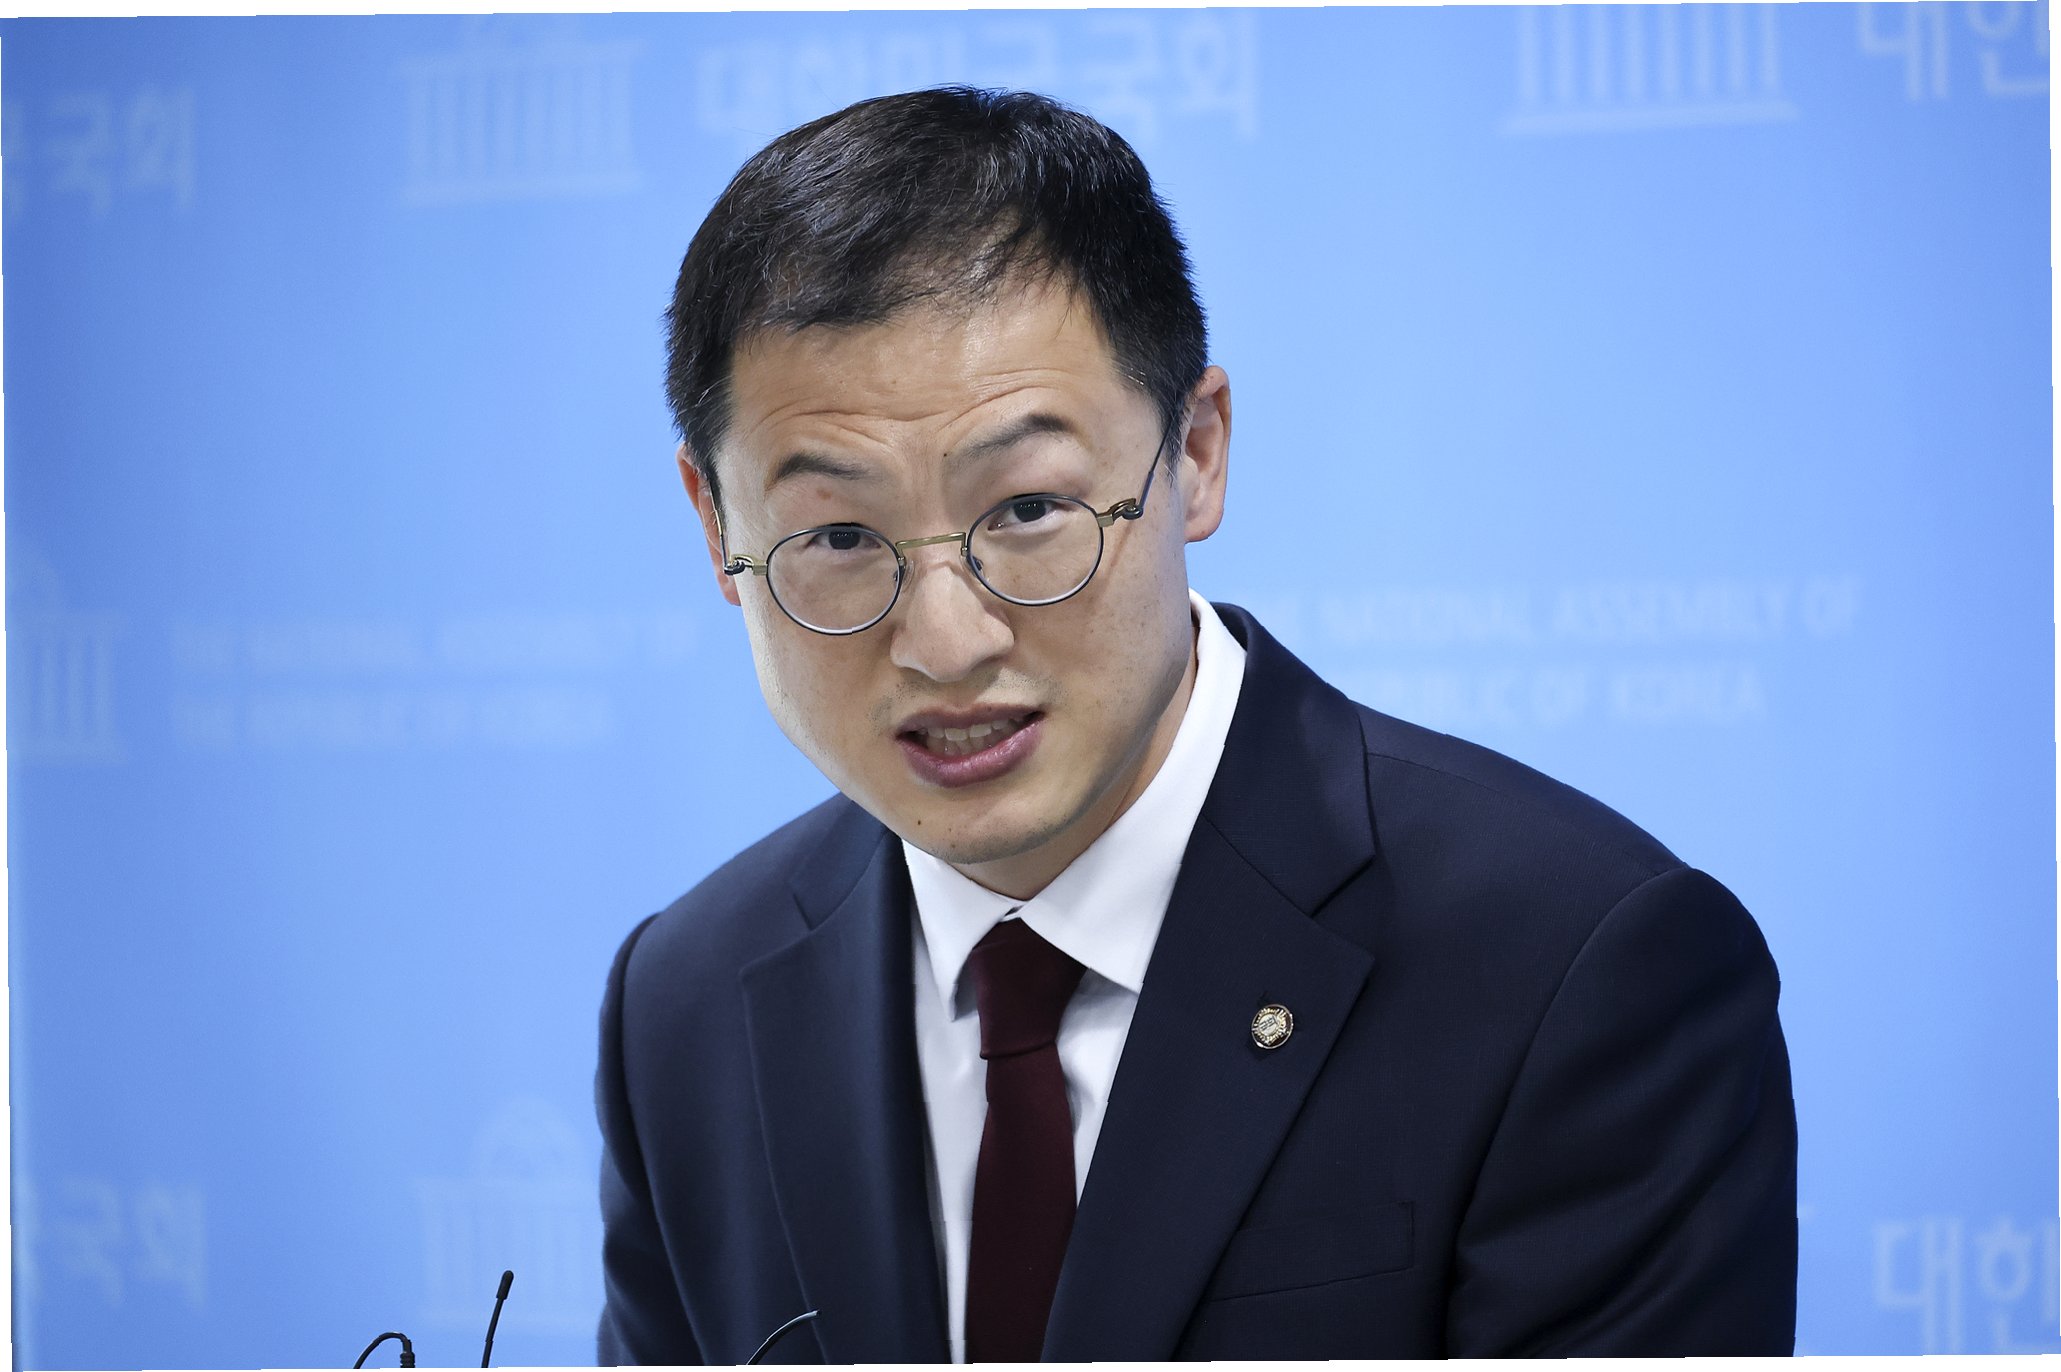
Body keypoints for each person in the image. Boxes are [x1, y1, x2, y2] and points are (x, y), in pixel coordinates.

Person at [594, 86, 1796, 1364]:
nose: (947, 641)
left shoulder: (1576, 970)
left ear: (1199, 451)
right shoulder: (684, 1003)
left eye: (1029, 510)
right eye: (838, 536)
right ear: (717, 529)